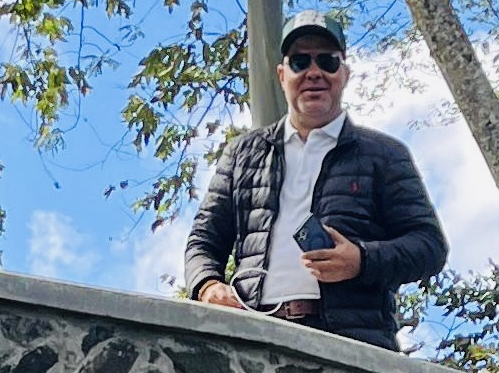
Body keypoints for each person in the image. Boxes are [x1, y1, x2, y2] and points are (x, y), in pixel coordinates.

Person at [183, 18, 447, 351]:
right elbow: (203, 240)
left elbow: (429, 247)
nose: (314, 72)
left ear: (344, 74)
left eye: (327, 60)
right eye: (299, 61)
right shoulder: (242, 154)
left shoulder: (384, 155)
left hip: (351, 343)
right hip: (251, 336)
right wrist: (207, 285)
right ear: (282, 75)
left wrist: (360, 260)